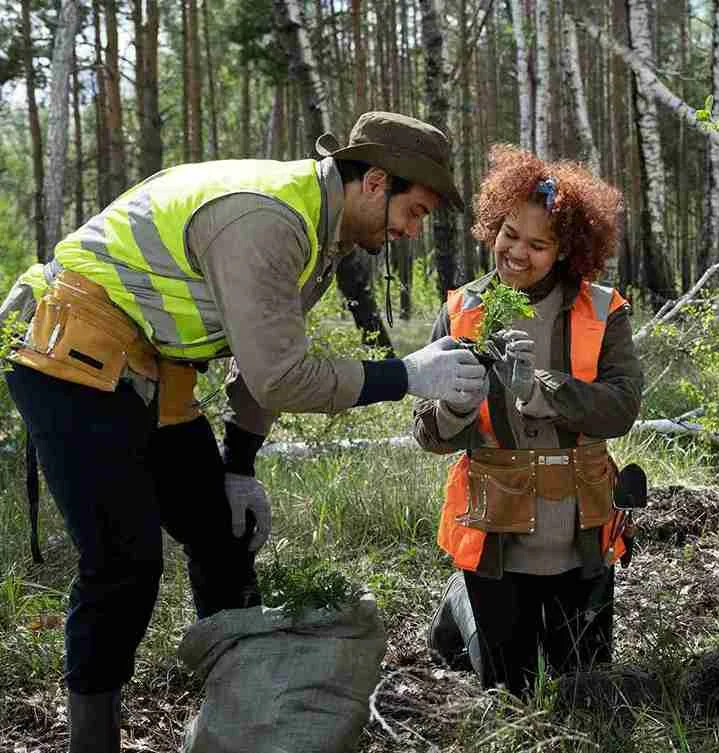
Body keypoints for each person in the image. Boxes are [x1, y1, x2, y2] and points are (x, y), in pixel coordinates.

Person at [0, 111, 487, 753]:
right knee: (123, 562)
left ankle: (242, 718)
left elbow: (261, 364)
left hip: (153, 371)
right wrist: (406, 375)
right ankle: (94, 739)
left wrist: (238, 467)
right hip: (69, 358)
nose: (412, 230)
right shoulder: (269, 221)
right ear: (375, 182)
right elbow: (284, 377)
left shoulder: (319, 231)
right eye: (415, 210)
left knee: (223, 536)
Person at [413, 145, 643, 695]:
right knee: (508, 691)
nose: (518, 252)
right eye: (509, 234)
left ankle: (464, 616)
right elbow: (428, 433)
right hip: (495, 537)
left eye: (539, 244)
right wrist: (457, 405)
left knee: (580, 686)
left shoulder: (604, 309)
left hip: (581, 537)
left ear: (566, 252)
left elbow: (622, 407)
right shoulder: (461, 309)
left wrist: (544, 392)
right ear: (493, 224)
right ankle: (462, 610)